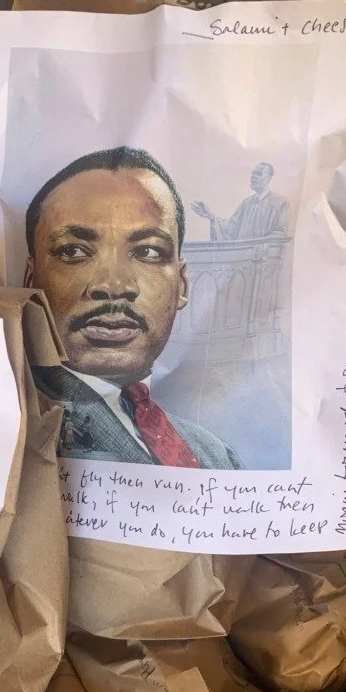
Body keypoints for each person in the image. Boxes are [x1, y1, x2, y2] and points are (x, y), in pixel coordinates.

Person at [24, 146, 241, 468]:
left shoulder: (216, 456)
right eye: (73, 251)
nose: (114, 286)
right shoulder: (8, 428)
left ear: (181, 285)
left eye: (148, 252)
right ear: (30, 282)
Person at [191, 162, 289, 241]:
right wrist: (210, 217)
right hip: (242, 258)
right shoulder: (246, 203)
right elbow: (231, 229)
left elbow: (280, 233)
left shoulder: (280, 202)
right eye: (253, 173)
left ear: (269, 179)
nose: (253, 176)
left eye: (259, 174)